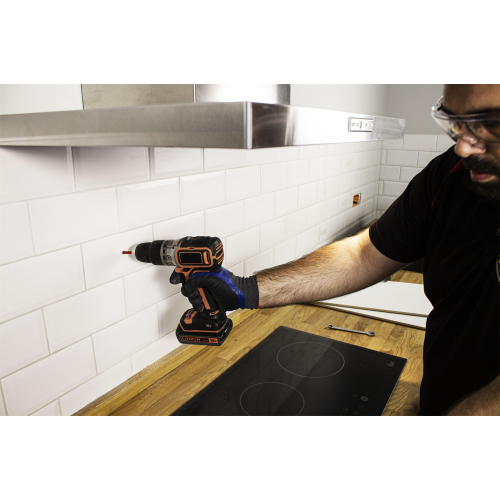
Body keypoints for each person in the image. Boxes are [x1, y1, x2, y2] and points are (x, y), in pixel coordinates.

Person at [179, 84, 500, 416]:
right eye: (456, 123)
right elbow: (363, 255)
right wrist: (247, 289)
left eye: (489, 124)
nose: (463, 146)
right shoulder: (449, 175)